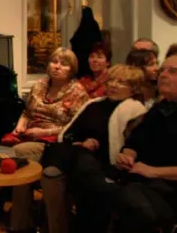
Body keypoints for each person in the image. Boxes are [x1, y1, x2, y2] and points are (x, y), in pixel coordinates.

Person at [75, 55, 177, 233]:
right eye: (162, 70)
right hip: (147, 184)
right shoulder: (161, 108)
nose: (163, 75)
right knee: (91, 183)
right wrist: (128, 154)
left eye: (173, 71)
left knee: (121, 197)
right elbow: (136, 140)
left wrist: (153, 171)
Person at [40, 64, 147, 233]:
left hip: (103, 164)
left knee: (66, 159)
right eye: (111, 80)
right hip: (75, 153)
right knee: (59, 152)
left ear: (133, 89)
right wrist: (79, 143)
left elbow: (132, 146)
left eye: (121, 82)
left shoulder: (135, 111)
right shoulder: (93, 105)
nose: (113, 85)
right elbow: (68, 133)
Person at [0, 47, 89, 232]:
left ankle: (20, 222)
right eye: (54, 62)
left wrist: (42, 132)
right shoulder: (39, 85)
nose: (57, 67)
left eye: (64, 64)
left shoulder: (78, 92)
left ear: (72, 69)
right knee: (17, 166)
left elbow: (77, 126)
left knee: (18, 155)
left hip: (57, 142)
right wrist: (20, 124)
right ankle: (20, 224)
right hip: (30, 136)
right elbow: (27, 112)